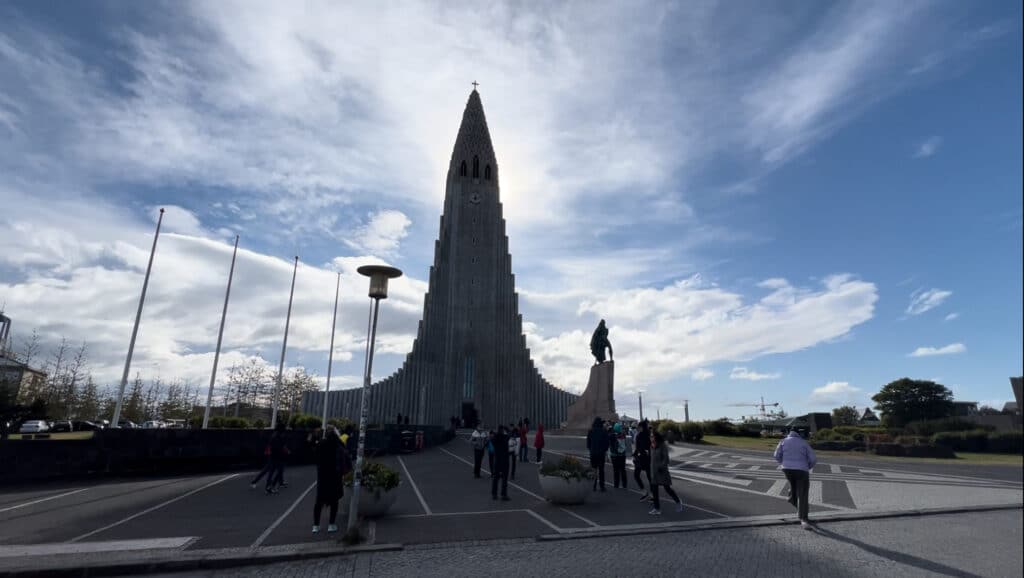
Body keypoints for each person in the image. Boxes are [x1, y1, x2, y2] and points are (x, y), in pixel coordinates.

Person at [774, 429, 817, 529]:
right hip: (802, 470)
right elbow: (813, 459)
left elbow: (776, 455)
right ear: (799, 433)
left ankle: (792, 498)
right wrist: (808, 466)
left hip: (787, 469)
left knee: (793, 486)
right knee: (803, 493)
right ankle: (803, 518)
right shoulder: (803, 443)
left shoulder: (783, 441)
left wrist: (783, 463)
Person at [312, 426, 352, 534]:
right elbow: (347, 459)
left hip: (322, 476)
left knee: (319, 502)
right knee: (334, 501)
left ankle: (316, 525)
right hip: (335, 477)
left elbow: (315, 456)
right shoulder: (339, 446)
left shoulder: (320, 445)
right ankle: (331, 524)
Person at [648, 431, 682, 515]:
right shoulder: (651, 446)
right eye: (650, 436)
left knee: (667, 489)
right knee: (654, 490)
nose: (651, 437)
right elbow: (651, 459)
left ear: (656, 437)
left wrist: (661, 467)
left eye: (652, 436)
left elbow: (666, 459)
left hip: (662, 471)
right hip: (654, 471)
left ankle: (678, 501)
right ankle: (657, 509)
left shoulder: (662, 445)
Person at [586, 417, 609, 491]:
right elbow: (607, 442)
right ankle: (602, 486)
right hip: (601, 453)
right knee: (601, 470)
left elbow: (588, 443)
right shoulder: (604, 431)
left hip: (593, 453)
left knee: (594, 469)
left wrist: (591, 449)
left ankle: (594, 485)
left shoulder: (591, 431)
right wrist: (604, 450)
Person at [633, 420, 653, 499]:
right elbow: (638, 447)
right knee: (645, 476)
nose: (638, 428)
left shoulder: (644, 435)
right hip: (644, 458)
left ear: (642, 427)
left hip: (644, 458)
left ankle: (648, 493)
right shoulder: (644, 435)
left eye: (640, 427)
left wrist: (635, 454)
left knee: (644, 476)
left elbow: (639, 448)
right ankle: (648, 493)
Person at [491, 425, 511, 500]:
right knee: (504, 478)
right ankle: (503, 494)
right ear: (503, 431)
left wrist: (495, 434)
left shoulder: (495, 438)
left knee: (495, 478)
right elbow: (509, 434)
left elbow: (492, 439)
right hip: (505, 460)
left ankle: (494, 494)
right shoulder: (505, 438)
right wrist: (507, 430)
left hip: (497, 460)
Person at [609, 422, 628, 489]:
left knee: (616, 470)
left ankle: (616, 484)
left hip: (615, 455)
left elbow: (610, 444)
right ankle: (624, 484)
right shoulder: (623, 435)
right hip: (622, 454)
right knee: (623, 470)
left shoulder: (612, 435)